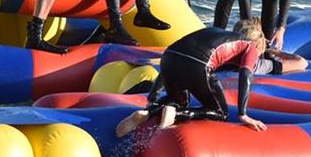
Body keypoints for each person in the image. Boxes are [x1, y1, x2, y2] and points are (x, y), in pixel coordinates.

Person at [115, 19, 270, 138]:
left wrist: (153, 96)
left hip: (169, 56)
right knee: (220, 112)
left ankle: (148, 112)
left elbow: (179, 54)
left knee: (180, 101)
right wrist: (243, 114)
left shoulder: (215, 32)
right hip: (198, 63)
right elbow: (245, 74)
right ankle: (176, 114)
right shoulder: (251, 47)